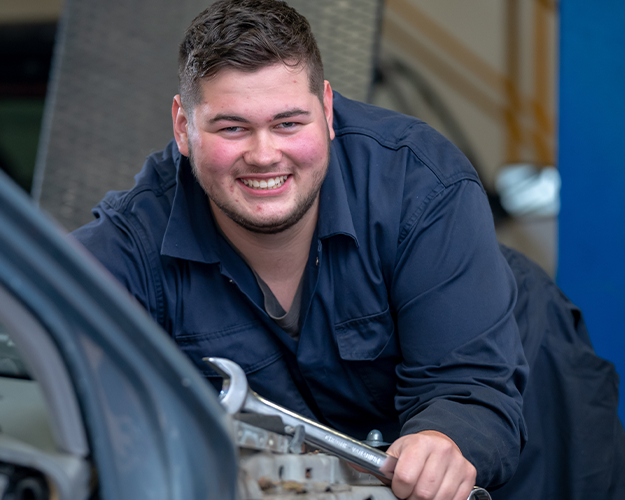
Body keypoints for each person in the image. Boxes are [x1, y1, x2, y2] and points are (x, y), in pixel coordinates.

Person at [74, 1, 524, 498]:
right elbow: (11, 328)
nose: (265, 155)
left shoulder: (420, 185)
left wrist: (444, 438)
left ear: (327, 111)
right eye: (232, 127)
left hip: (531, 441)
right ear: (184, 127)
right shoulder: (135, 236)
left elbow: (468, 385)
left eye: (289, 123)